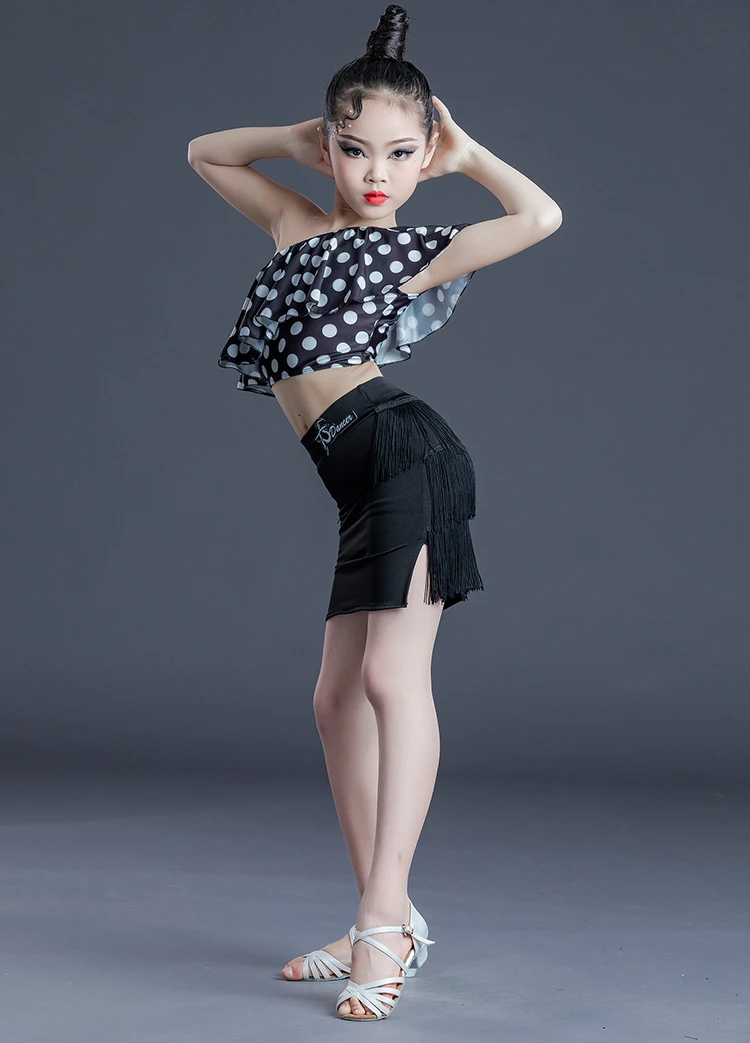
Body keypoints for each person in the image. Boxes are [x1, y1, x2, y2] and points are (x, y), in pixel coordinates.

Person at [188, 2, 562, 1022]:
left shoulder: (417, 251)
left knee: (393, 680)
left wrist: (467, 154)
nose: (376, 173)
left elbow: (539, 217)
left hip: (407, 457)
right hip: (357, 477)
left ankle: (385, 918)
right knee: (333, 701)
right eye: (355, 150)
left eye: (402, 153)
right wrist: (295, 139)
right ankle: (380, 914)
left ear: (425, 155)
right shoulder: (294, 224)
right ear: (330, 148)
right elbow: (206, 152)